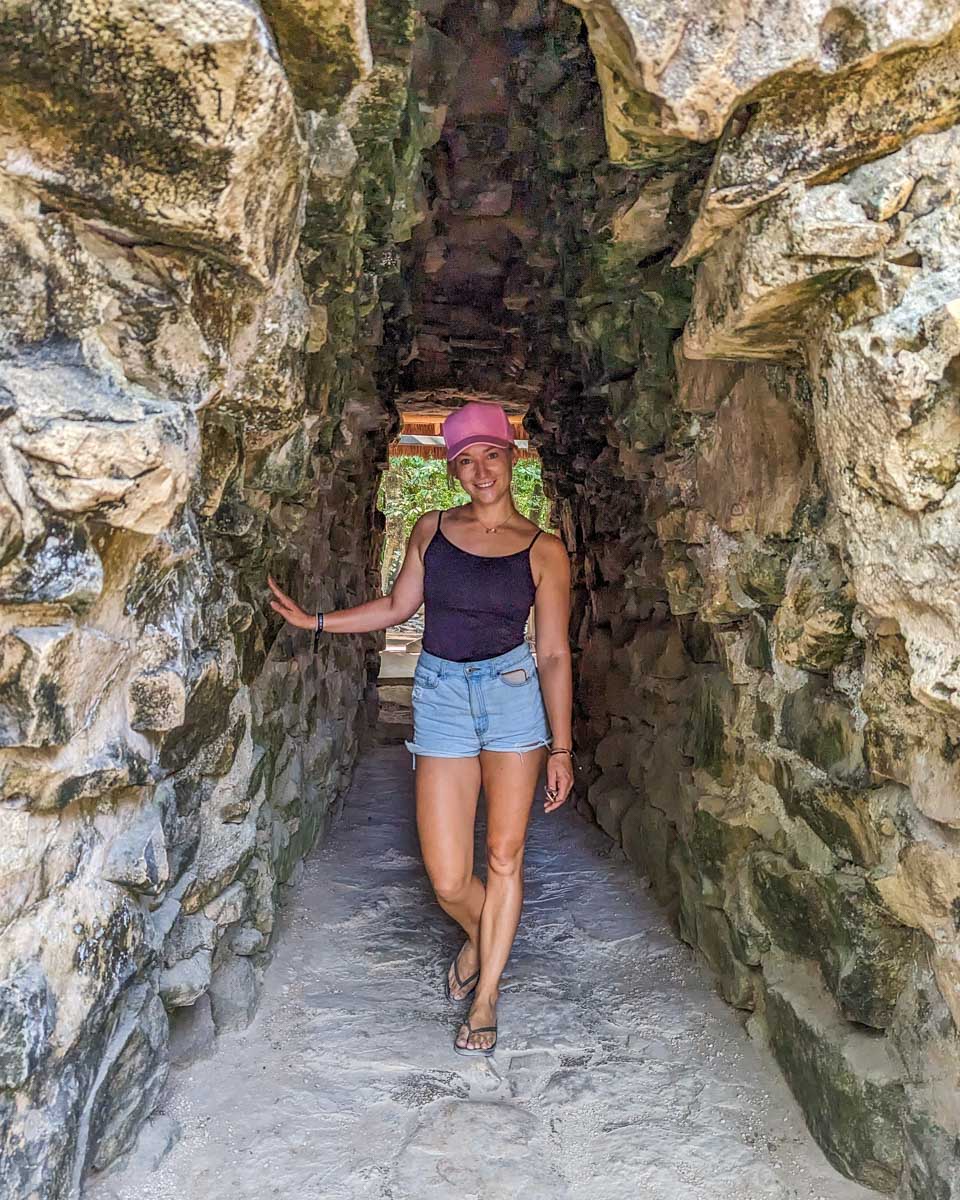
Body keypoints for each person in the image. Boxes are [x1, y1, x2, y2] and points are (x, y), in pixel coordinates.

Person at [267, 401, 574, 1056]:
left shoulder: (545, 551)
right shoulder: (430, 528)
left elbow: (552, 653)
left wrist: (563, 747)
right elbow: (396, 605)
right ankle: (485, 937)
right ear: (453, 469)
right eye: (466, 460)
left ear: (511, 458)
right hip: (440, 696)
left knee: (504, 857)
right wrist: (315, 621)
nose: (480, 470)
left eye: (491, 455)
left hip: (513, 699)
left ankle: (486, 996)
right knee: (448, 877)